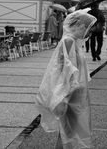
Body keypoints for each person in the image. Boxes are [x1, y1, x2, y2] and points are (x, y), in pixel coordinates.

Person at [35, 8, 97, 149]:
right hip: (70, 92)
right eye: (87, 28)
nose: (88, 32)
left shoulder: (73, 41)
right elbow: (66, 69)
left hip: (74, 91)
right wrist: (66, 95)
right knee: (68, 130)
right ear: (79, 26)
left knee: (69, 130)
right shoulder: (68, 41)